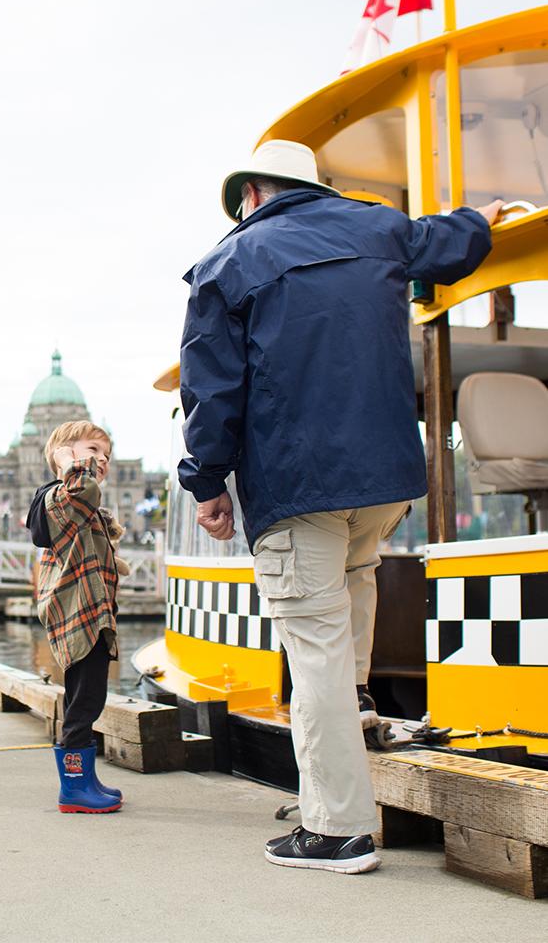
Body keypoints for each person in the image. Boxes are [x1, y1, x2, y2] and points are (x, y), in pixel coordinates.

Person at [178, 139, 503, 873]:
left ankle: (335, 830)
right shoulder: (378, 226)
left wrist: (206, 485)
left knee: (313, 648)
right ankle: (358, 710)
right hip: (386, 479)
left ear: (251, 196)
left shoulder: (225, 266)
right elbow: (450, 244)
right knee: (354, 588)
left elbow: (212, 393)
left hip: (298, 486)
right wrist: (482, 218)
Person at [26, 419, 125, 814]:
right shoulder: (66, 494)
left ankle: (85, 778)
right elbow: (83, 490)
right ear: (64, 454)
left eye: (105, 455)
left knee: (88, 694)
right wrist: (70, 464)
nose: (100, 460)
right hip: (79, 615)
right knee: (85, 700)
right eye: (92, 451)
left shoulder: (74, 500)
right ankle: (73, 788)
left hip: (89, 612)